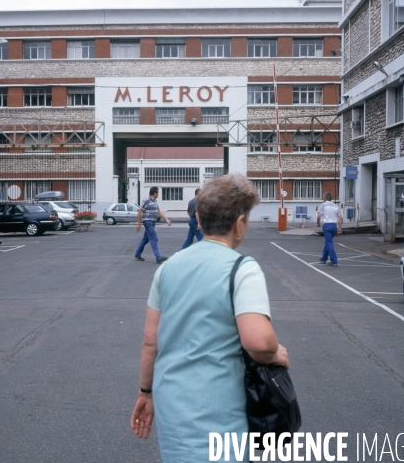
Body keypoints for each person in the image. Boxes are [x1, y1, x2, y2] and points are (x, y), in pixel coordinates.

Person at [130, 174, 289, 462]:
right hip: (220, 410)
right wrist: (275, 353)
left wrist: (145, 392)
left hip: (171, 404)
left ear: (199, 221)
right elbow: (258, 341)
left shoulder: (168, 268)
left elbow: (150, 342)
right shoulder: (242, 268)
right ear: (240, 224)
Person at [135, 186, 171, 264]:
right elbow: (140, 211)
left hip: (152, 222)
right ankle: (158, 257)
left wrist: (166, 219)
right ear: (155, 193)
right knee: (154, 238)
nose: (158, 194)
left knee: (146, 239)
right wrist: (139, 223)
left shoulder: (155, 201)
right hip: (147, 221)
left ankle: (137, 254)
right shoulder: (146, 200)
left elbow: (159, 211)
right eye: (158, 192)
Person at [317, 192, 343, 267]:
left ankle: (334, 261)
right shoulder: (336, 206)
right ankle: (323, 258)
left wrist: (318, 223)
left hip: (327, 225)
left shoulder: (323, 205)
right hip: (334, 226)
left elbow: (319, 216)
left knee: (329, 243)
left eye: (323, 198)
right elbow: (340, 218)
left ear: (325, 198)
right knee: (328, 242)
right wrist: (340, 228)